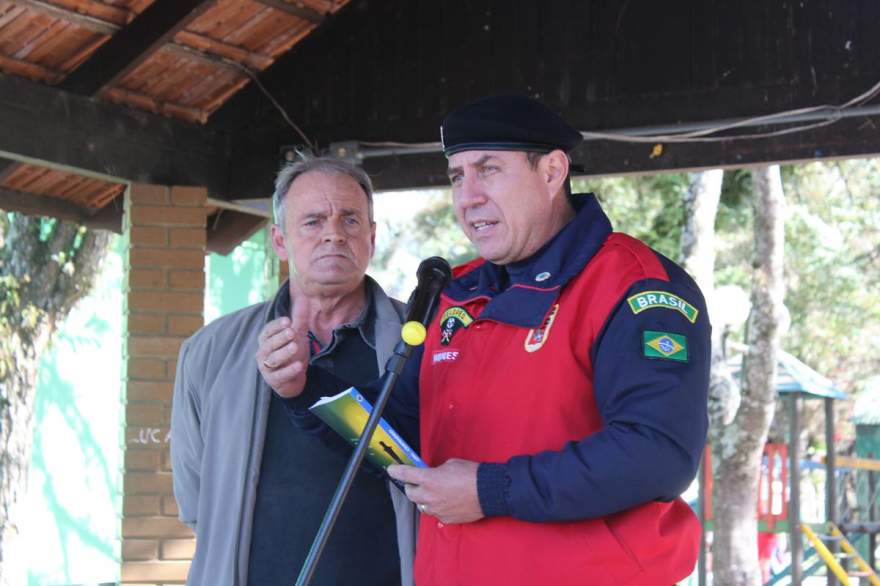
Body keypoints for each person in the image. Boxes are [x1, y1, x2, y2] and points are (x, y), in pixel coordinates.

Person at [268, 96, 711, 585]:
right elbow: (402, 434)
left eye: (488, 170)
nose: (468, 196)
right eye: (457, 176)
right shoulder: (454, 292)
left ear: (552, 171)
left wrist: (488, 490)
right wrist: (304, 389)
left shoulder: (632, 286)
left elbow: (656, 455)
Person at [170, 157, 416, 585]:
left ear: (372, 238)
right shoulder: (210, 352)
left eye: (350, 219)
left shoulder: (420, 344)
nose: (334, 233)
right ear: (279, 241)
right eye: (314, 221)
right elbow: (197, 501)